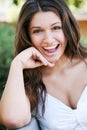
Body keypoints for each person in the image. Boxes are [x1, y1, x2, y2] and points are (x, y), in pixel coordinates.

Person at [0, 0, 87, 129]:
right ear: (27, 36)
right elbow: (12, 121)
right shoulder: (30, 82)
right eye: (37, 31)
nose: (48, 39)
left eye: (56, 28)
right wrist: (17, 64)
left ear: (68, 28)